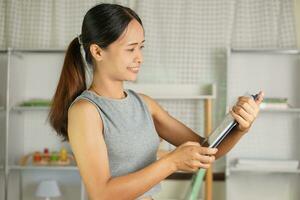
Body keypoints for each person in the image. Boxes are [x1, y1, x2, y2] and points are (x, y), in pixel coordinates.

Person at [48, 3, 263, 200]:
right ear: (97, 51)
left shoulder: (145, 104)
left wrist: (239, 126)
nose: (139, 57)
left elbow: (205, 149)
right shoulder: (86, 111)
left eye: (141, 47)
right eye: (130, 49)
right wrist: (172, 161)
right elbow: (102, 193)